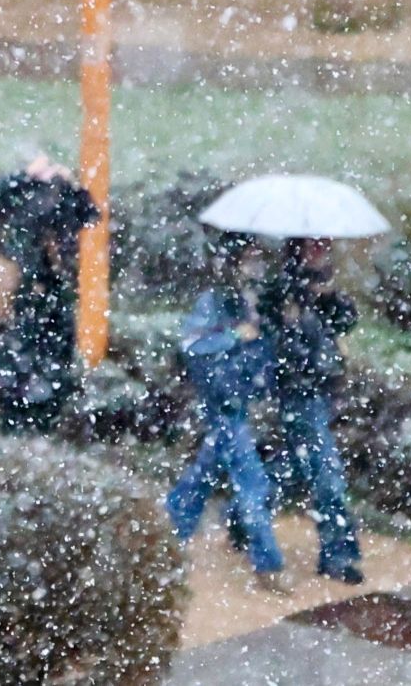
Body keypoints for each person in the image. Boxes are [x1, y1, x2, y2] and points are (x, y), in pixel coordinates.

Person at [164, 233, 288, 591]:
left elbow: (264, 355)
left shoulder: (260, 301)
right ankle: (267, 566)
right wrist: (236, 336)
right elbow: (193, 345)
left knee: (202, 475)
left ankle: (170, 532)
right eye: (248, 258)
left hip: (239, 403)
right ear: (233, 262)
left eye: (257, 258)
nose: (255, 265)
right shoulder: (216, 301)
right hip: (224, 406)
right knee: (253, 482)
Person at [260, 236, 365, 585]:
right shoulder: (282, 290)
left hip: (322, 392)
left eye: (325, 243)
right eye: (313, 244)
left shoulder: (324, 283)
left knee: (293, 464)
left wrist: (329, 297)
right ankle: (338, 554)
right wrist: (292, 317)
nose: (321, 249)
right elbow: (275, 344)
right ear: (297, 247)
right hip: (298, 395)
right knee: (326, 472)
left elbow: (347, 321)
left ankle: (245, 514)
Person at [0, 160, 98, 432]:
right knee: (27, 394)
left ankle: (26, 421)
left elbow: (89, 213)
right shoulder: (23, 221)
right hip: (27, 329)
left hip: (38, 334)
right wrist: (24, 176)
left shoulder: (49, 220)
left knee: (35, 390)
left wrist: (70, 183)